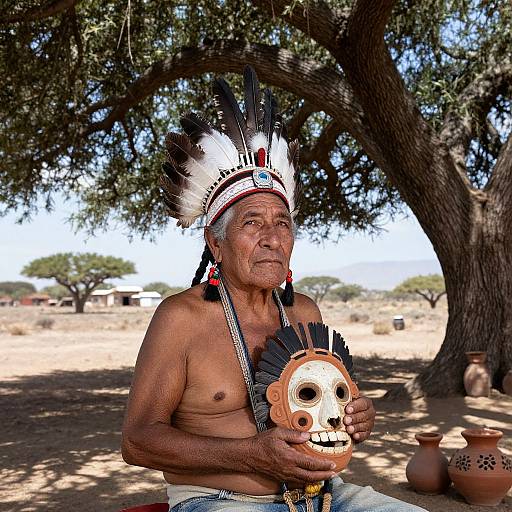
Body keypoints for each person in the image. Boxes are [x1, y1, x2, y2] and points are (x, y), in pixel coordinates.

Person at [121, 67, 426, 512]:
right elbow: (138, 441)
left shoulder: (304, 312)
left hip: (325, 496)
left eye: (282, 223)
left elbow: (333, 403)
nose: (272, 238)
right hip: (221, 499)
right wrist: (250, 453)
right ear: (215, 243)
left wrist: (360, 414)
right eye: (252, 223)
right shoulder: (181, 319)